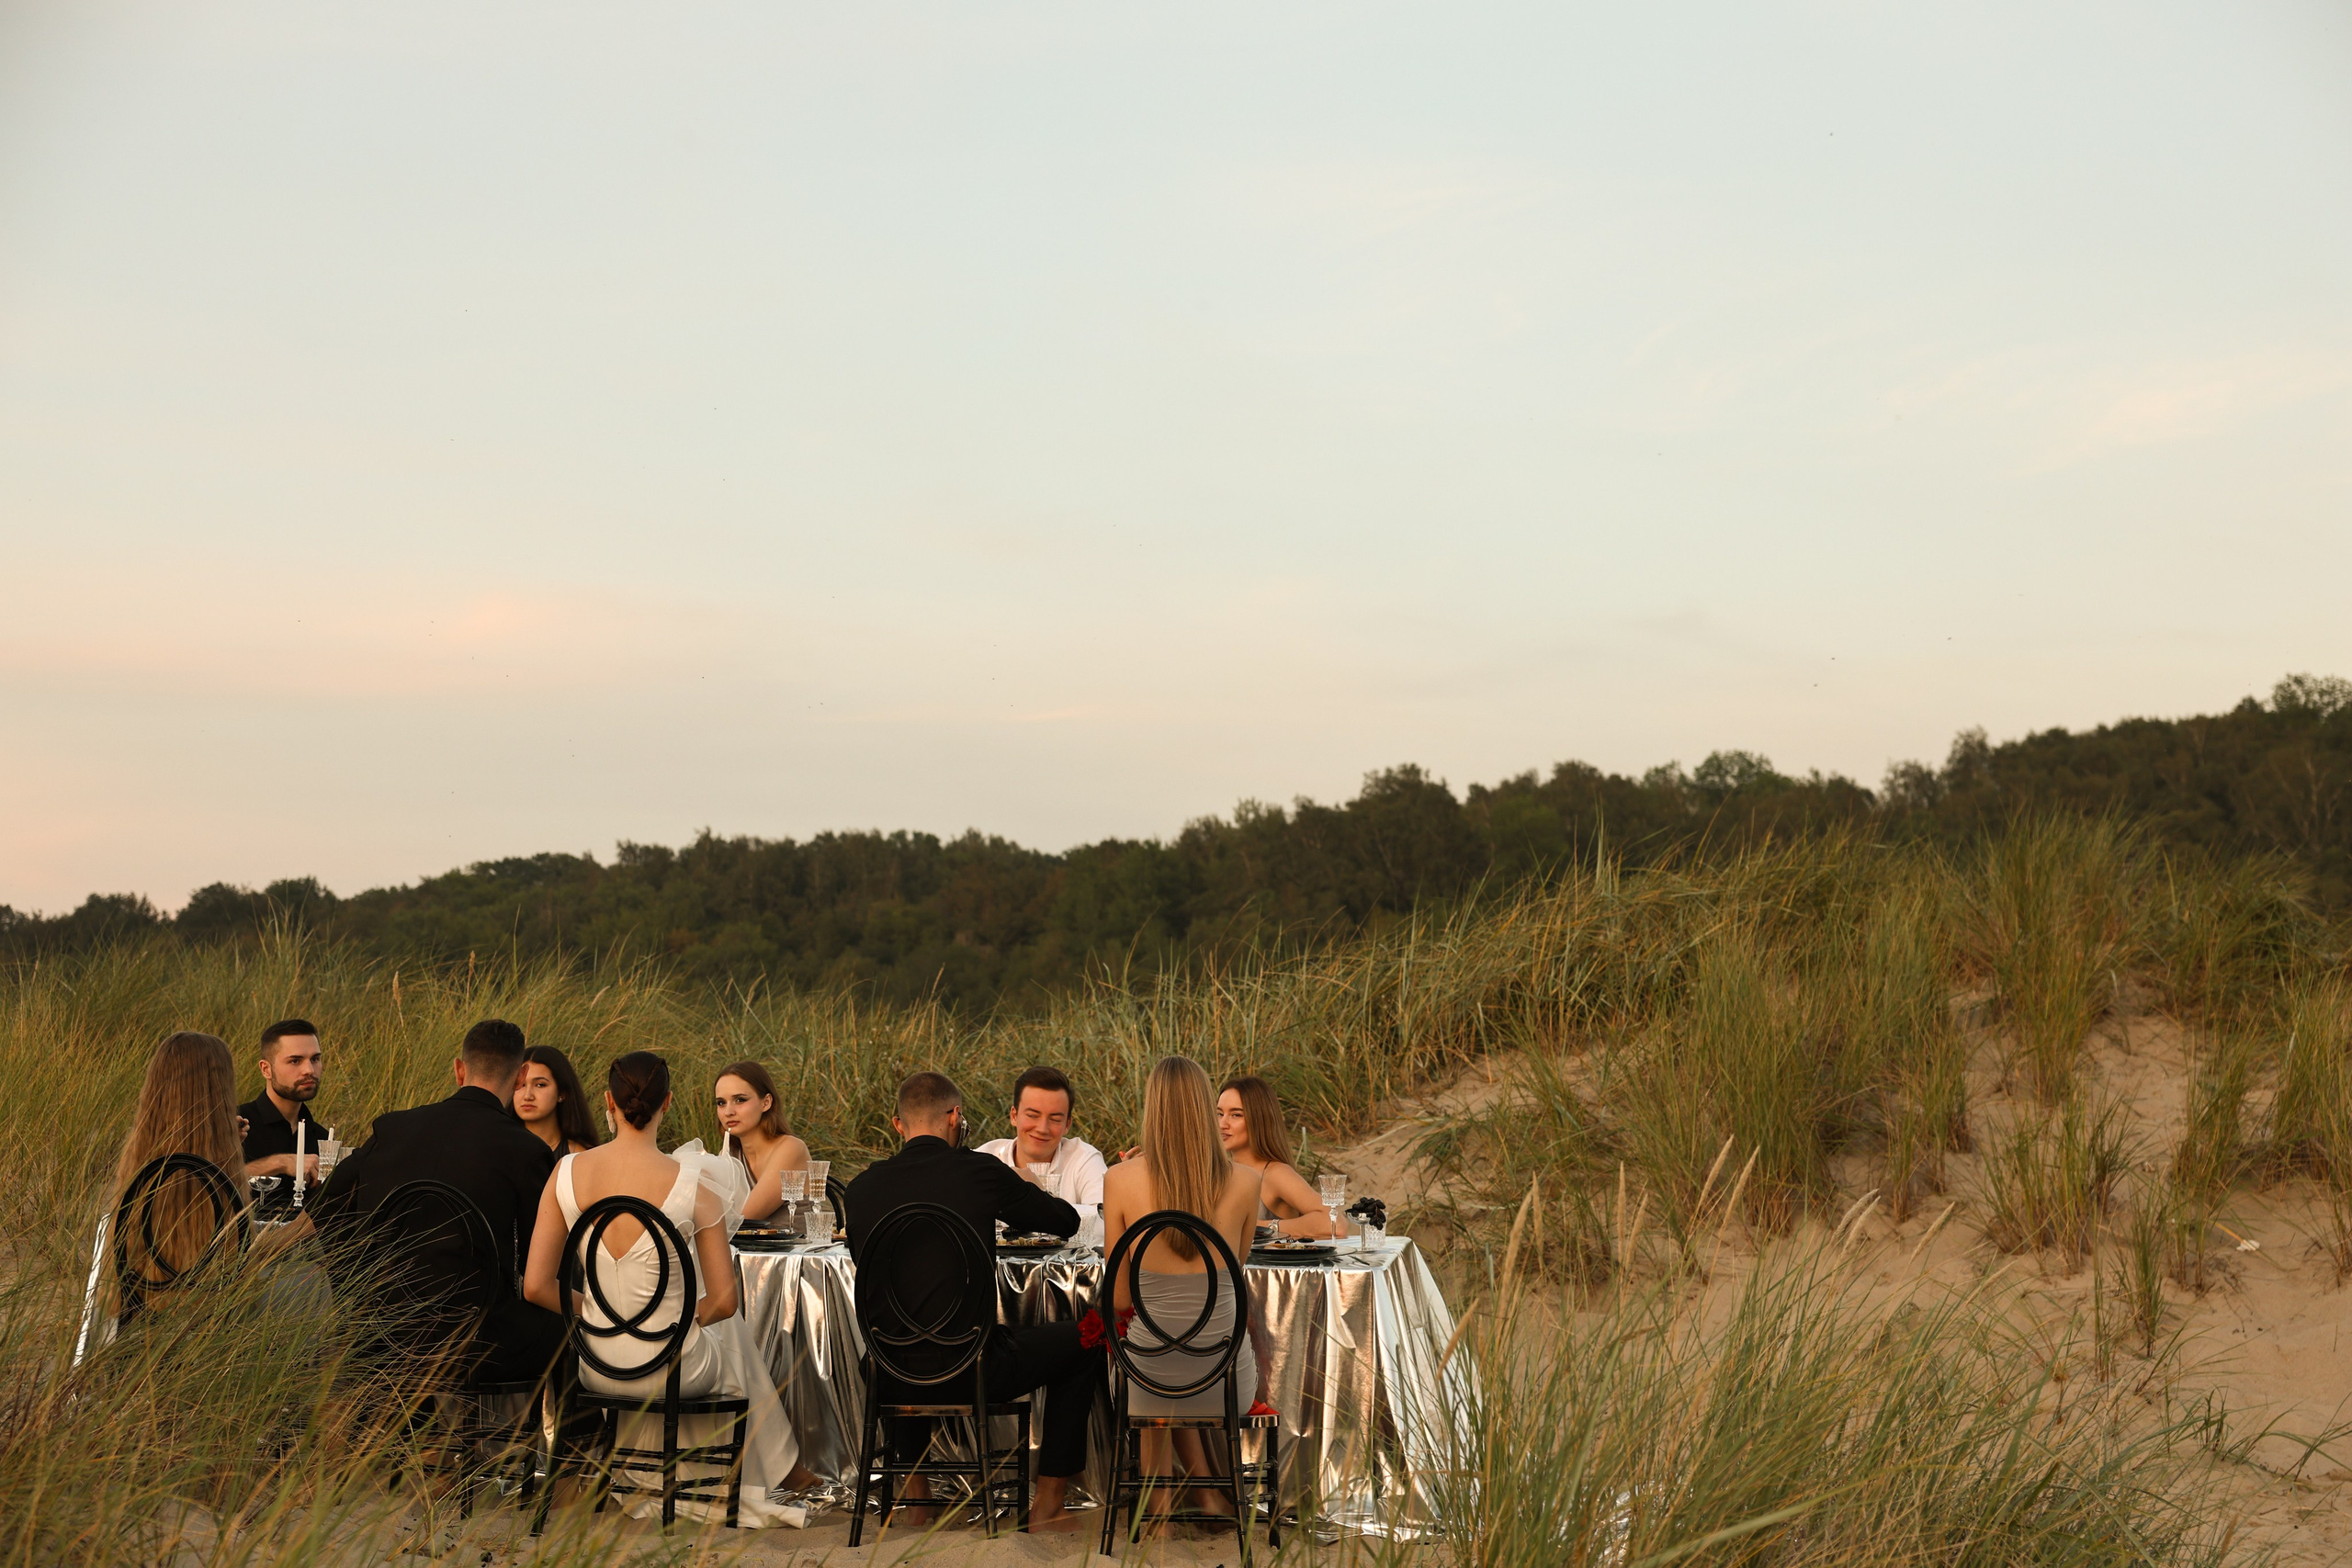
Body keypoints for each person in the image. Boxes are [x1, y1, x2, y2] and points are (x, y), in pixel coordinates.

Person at [523, 1052, 813, 1523]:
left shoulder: (565, 1172)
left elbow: (536, 1286)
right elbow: (724, 1301)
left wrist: (599, 1314)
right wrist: (673, 1322)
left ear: (608, 1102)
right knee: (723, 1329)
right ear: (668, 1103)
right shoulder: (694, 1182)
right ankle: (764, 1471)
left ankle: (665, 1471)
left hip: (597, 1365)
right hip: (673, 1369)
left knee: (708, 1332)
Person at [843, 1071, 1097, 1531]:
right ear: (956, 1117)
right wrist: (1027, 1185)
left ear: (897, 1124)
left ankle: (917, 1500)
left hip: (890, 1376)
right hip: (974, 1369)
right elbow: (1064, 1222)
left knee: (902, 1337)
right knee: (1085, 1342)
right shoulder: (980, 1171)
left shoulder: (861, 1188)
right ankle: (1049, 1505)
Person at [310, 1019, 565, 1386]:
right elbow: (537, 1264)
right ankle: (562, 1424)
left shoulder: (392, 1128)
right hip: (477, 1341)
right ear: (520, 1076)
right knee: (567, 1330)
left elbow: (327, 1209)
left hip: (382, 1333)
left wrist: (354, 1291)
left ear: (459, 1069)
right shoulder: (527, 1150)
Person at [1102, 1056, 1267, 1515]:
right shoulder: (1247, 1181)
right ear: (1204, 1110)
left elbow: (1119, 1300)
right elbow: (1232, 1273)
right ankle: (1205, 1495)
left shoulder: (1119, 1180)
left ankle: (1158, 1512)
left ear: (1152, 1109)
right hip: (1225, 1382)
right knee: (1182, 1350)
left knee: (1155, 1358)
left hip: (1146, 1382)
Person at [1216, 1076, 1341, 1237]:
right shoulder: (1220, 1172)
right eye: (1219, 1114)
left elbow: (1335, 1223)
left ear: (1259, 1119)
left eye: (1236, 1115)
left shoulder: (1275, 1173)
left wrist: (1257, 1226)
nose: (1222, 1124)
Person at [975, 1066, 1106, 1207]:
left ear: (1067, 1124)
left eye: (1055, 1119)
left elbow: (1103, 1217)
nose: (1042, 1129)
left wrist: (1040, 1196)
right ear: (1014, 1116)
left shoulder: (1083, 1160)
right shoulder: (984, 1160)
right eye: (1032, 1116)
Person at [712, 1061, 809, 1222]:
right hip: (739, 1240)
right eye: (721, 1103)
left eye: (740, 1100)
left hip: (795, 1240)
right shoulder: (730, 1154)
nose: (728, 1112)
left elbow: (742, 1219)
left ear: (766, 1102)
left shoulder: (791, 1148)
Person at [238, 1019, 324, 1198]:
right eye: (295, 1061)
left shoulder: (322, 1138)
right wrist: (279, 1163)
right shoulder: (236, 1124)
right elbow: (205, 1181)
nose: (309, 1070)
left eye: (315, 1059)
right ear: (266, 1069)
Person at [513, 1044, 602, 1156]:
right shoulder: (499, 1149)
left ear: (562, 1093)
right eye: (521, 1084)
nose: (527, 1096)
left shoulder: (578, 1156)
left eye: (540, 1085)